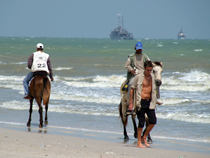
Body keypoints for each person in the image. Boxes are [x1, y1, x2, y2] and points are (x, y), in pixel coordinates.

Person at [129, 61, 162, 148]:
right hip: (141, 102)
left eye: (150, 70)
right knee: (141, 122)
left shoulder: (153, 78)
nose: (149, 72)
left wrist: (156, 101)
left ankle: (144, 137)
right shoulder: (138, 77)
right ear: (144, 68)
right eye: (147, 70)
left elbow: (154, 90)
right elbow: (132, 89)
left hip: (150, 102)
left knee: (153, 121)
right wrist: (131, 103)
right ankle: (139, 143)